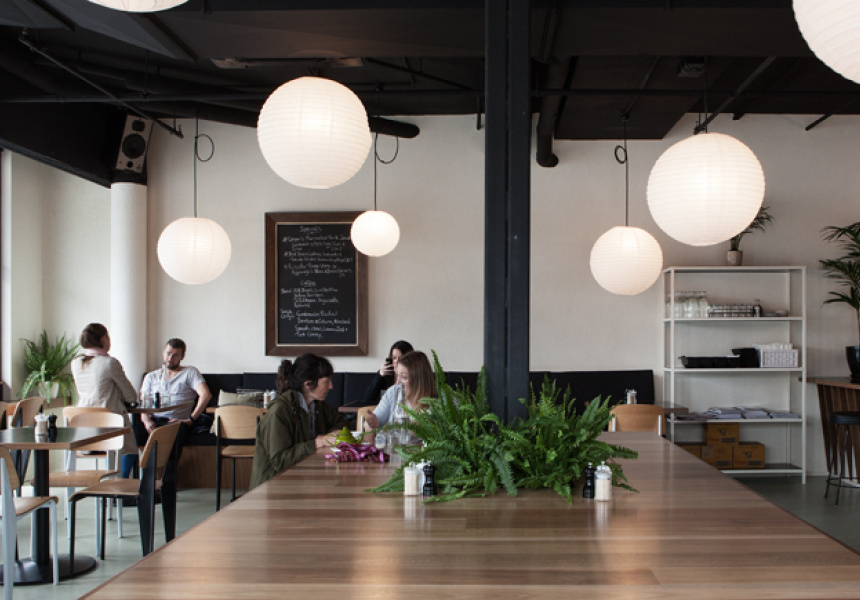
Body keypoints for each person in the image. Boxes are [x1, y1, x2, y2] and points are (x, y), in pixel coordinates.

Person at [250, 354, 348, 489]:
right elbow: (280, 461)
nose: (331, 386)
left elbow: (341, 422)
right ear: (308, 384)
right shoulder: (279, 412)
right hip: (273, 489)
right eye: (326, 381)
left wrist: (329, 436)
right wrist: (318, 443)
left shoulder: (317, 405)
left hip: (302, 480)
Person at [70, 323, 139, 477]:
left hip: (84, 426)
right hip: (109, 425)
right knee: (131, 448)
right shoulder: (109, 363)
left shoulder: (76, 363)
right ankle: (119, 482)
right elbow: (131, 396)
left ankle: (110, 481)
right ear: (103, 339)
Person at [139, 338, 212, 460]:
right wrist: (146, 421)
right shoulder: (151, 377)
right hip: (154, 420)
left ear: (182, 356)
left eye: (175, 355)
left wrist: (191, 419)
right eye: (168, 353)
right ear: (163, 352)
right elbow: (144, 404)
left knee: (174, 433)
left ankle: (167, 473)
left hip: (177, 422)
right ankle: (141, 470)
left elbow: (206, 395)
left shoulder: (190, 372)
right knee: (132, 431)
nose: (170, 358)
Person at [363, 350, 436, 431]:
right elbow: (370, 426)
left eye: (404, 377)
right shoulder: (393, 392)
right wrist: (370, 424)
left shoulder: (442, 401)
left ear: (419, 380)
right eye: (397, 375)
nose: (398, 382)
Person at [361, 340, 414, 405]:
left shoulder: (414, 376)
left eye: (401, 358)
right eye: (394, 358)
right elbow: (368, 398)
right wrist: (379, 376)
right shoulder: (386, 375)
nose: (396, 361)